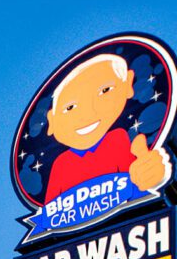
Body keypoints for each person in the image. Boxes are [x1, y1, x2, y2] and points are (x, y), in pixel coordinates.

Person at [45, 53, 170, 202]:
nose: (87, 113)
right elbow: (49, 214)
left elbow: (141, 180)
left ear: (128, 84)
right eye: (70, 107)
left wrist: (153, 174)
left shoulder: (117, 140)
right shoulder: (60, 164)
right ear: (52, 120)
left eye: (104, 91)